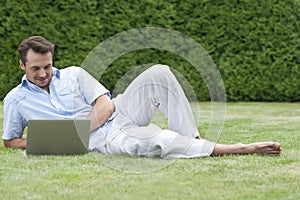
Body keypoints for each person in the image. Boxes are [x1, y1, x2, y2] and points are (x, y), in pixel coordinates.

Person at [2, 36, 281, 157]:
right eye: (36, 68)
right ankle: (235, 148)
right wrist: (46, 140)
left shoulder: (74, 73)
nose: (43, 73)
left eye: (48, 66)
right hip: (106, 139)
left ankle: (193, 140)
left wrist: (78, 132)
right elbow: (11, 141)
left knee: (159, 73)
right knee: (151, 143)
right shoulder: (15, 99)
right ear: (22, 65)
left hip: (118, 112)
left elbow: (105, 103)